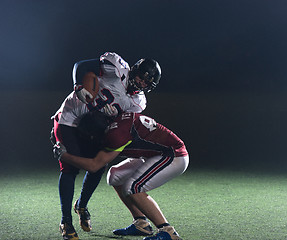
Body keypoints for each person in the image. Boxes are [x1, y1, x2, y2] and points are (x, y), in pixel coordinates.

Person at [51, 52, 161, 240]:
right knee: (69, 169)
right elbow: (81, 65)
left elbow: (122, 125)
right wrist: (79, 86)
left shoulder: (138, 102)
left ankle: (82, 205)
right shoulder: (115, 67)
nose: (141, 83)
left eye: (146, 82)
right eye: (140, 77)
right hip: (70, 117)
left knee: (98, 166)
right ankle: (66, 221)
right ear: (133, 70)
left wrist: (114, 119)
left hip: (93, 126)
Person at [53, 112, 189, 240]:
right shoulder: (116, 121)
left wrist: (65, 156)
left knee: (133, 187)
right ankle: (141, 224)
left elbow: (94, 165)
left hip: (173, 155)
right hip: (153, 154)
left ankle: (168, 231)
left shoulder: (115, 134)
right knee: (115, 176)